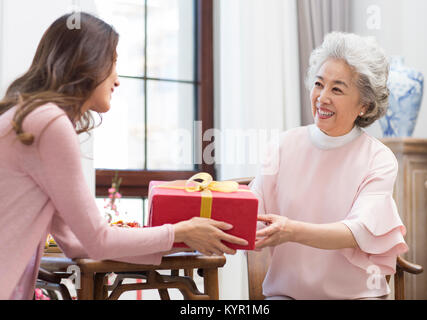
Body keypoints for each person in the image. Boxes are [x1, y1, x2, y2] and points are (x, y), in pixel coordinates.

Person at [0, 12, 247, 300]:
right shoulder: (49, 123)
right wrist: (179, 232)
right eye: (113, 62)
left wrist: (182, 237)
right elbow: (98, 240)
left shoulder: (28, 115)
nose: (117, 79)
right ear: (87, 62)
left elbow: (77, 242)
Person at [251, 32, 408, 300]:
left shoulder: (378, 158)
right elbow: (250, 209)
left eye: (337, 89)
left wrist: (290, 230)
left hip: (357, 296)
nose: (322, 97)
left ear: (364, 105)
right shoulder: (282, 146)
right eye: (318, 84)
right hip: (287, 295)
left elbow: (357, 232)